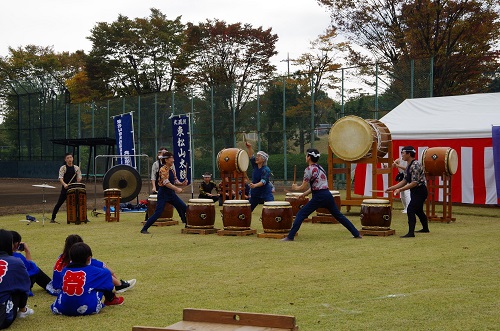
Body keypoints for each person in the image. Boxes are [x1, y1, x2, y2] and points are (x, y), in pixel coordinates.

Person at [282, 149, 362, 241]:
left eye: (306, 155)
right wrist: (304, 194)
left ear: (309, 157)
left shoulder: (308, 169)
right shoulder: (320, 168)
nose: (306, 157)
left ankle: (290, 237)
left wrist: (296, 188)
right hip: (327, 195)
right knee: (339, 216)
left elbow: (303, 186)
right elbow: (315, 186)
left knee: (301, 214)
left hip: (318, 196)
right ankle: (356, 234)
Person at [51, 242, 124, 316]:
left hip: (62, 308)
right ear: (89, 258)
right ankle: (111, 299)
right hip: (87, 308)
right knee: (102, 280)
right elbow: (108, 278)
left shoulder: (64, 270)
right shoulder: (94, 271)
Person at [53, 234, 135, 295]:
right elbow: (109, 271)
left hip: (56, 287)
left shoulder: (61, 257)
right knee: (103, 274)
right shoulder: (86, 260)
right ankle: (119, 285)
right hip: (71, 289)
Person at [385, 146, 429, 238]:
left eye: (403, 153)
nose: (402, 155)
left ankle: (411, 233)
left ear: (409, 154)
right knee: (419, 210)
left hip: (420, 190)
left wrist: (400, 189)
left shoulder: (415, 165)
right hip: (416, 190)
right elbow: (405, 180)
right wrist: (392, 188)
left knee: (411, 209)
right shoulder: (409, 165)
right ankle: (425, 228)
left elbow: (414, 183)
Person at [141, 151, 188, 233]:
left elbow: (175, 180)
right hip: (163, 193)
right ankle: (144, 229)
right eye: (171, 158)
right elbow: (166, 183)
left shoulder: (172, 170)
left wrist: (182, 183)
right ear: (166, 160)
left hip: (171, 194)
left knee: (184, 207)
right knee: (158, 213)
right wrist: (177, 189)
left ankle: (187, 224)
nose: (173, 160)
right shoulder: (163, 169)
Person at [0, 229, 33, 329]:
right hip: (3, 316)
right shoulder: (15, 262)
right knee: (20, 285)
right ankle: (22, 310)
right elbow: (26, 286)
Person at [10, 231, 56, 296]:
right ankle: (50, 285)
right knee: (35, 269)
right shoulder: (17, 257)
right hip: (17, 286)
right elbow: (30, 266)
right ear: (16, 244)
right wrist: (27, 251)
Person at [50, 152, 82, 224]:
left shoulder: (76, 168)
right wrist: (64, 184)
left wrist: (79, 179)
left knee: (79, 203)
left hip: (74, 188)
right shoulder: (63, 168)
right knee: (59, 203)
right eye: (68, 158)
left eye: (70, 157)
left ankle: (82, 217)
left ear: (73, 158)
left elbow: (79, 177)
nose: (69, 159)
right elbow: (60, 178)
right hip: (65, 188)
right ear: (65, 160)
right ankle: (53, 218)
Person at [245, 142, 274, 211]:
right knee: (247, 211)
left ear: (263, 159)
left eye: (259, 156)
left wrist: (254, 185)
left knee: (272, 209)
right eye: (257, 156)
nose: (256, 157)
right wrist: (249, 147)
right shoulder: (255, 166)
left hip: (265, 192)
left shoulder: (266, 170)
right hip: (255, 193)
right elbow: (251, 156)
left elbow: (263, 181)